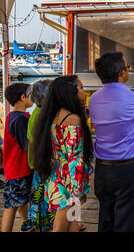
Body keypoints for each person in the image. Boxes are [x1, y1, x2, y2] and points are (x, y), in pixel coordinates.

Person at [89, 52, 134, 232]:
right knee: (126, 221)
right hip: (128, 168)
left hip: (102, 168)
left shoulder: (94, 99)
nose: (128, 70)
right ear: (121, 73)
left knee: (106, 219)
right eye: (127, 67)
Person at [32, 75, 93, 232]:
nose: (84, 90)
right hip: (69, 176)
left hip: (56, 172)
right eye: (80, 87)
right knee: (64, 215)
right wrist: (77, 188)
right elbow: (75, 158)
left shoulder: (52, 115)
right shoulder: (73, 119)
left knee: (73, 215)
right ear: (69, 92)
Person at [24, 79, 56, 232]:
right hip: (45, 165)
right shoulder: (45, 115)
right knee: (47, 199)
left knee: (39, 200)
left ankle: (40, 226)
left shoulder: (36, 111)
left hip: (37, 164)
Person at [1, 83, 34, 232]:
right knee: (11, 206)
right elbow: (27, 146)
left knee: (20, 200)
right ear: (23, 97)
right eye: (31, 94)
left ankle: (27, 223)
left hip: (16, 168)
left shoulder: (15, 115)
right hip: (18, 169)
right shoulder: (20, 119)